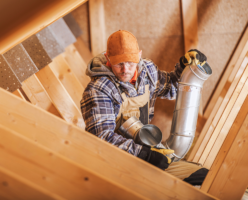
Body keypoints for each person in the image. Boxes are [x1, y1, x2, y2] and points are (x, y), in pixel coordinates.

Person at [81, 30, 208, 185]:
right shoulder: (99, 89)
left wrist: (183, 68)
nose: (126, 69)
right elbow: (102, 137)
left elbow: (171, 89)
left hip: (146, 152)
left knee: (204, 178)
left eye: (130, 62)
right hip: (115, 166)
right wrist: (143, 154)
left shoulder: (147, 71)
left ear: (139, 55)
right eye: (119, 63)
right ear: (108, 58)